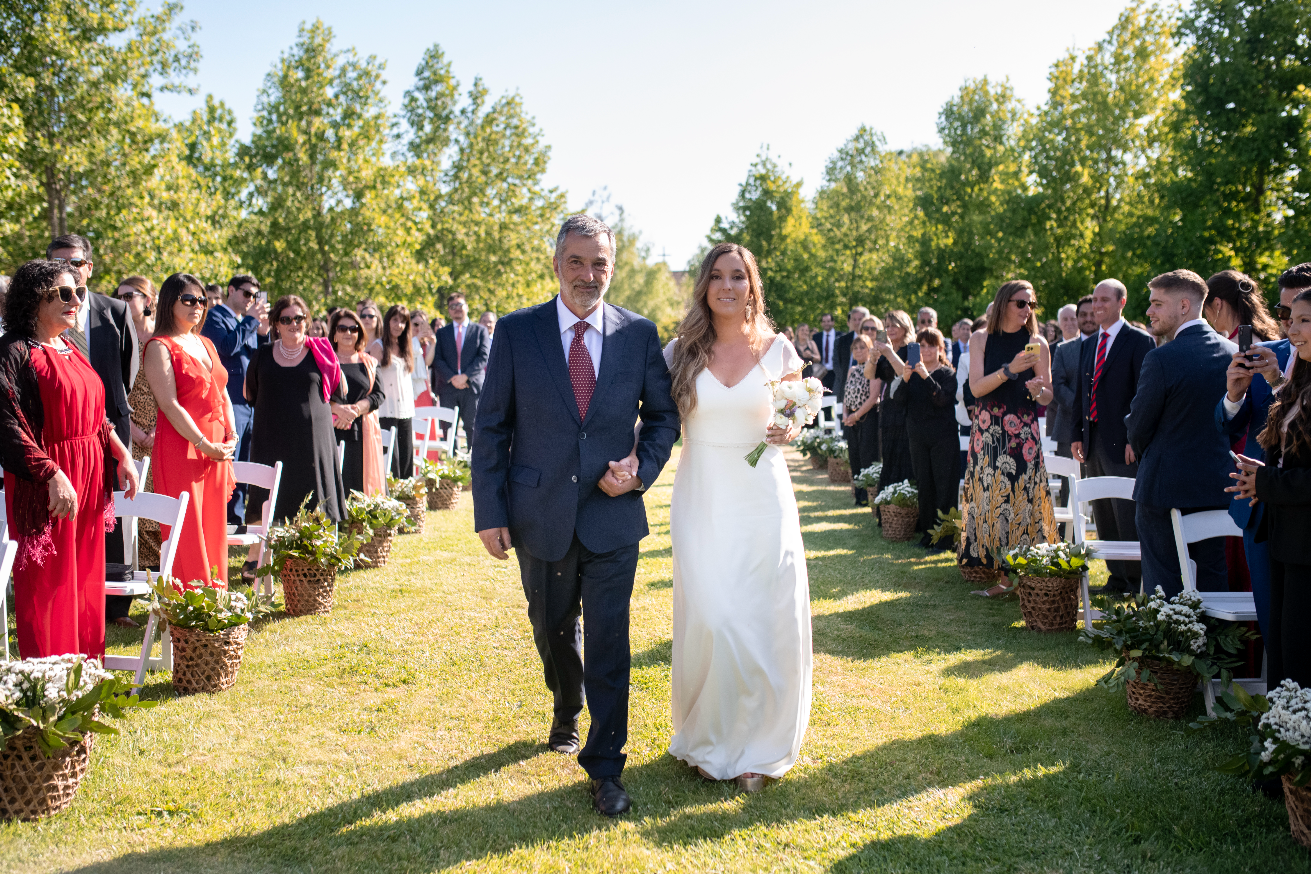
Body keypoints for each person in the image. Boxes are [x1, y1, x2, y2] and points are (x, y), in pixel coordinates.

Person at [472, 214, 679, 818]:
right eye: (577, 262)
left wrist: (640, 468)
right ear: (557, 265)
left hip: (613, 516)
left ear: (612, 268)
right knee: (552, 627)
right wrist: (489, 510)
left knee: (610, 642)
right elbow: (492, 427)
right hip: (539, 512)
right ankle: (567, 703)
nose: (589, 275)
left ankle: (606, 766)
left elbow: (662, 418)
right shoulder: (518, 332)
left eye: (599, 264)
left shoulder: (638, 334)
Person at [658, 241, 810, 793]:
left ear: (752, 286)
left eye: (738, 276)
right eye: (718, 276)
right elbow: (654, 422)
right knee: (712, 615)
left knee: (761, 617)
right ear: (704, 285)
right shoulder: (679, 353)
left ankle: (758, 748)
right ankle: (709, 735)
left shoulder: (778, 350)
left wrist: (790, 427)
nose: (728, 286)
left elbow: (795, 412)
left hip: (762, 497)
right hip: (701, 495)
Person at [0, 259, 139, 659]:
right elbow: (7, 424)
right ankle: (50, 679)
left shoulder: (71, 346)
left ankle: (87, 676)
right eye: (63, 293)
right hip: (48, 481)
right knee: (50, 584)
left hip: (89, 476)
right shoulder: (13, 351)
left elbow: (96, 414)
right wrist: (51, 475)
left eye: (78, 291)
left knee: (85, 581)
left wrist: (121, 452)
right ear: (34, 299)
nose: (76, 300)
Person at [1126, 270, 1237, 598]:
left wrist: (1154, 457)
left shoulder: (1161, 358)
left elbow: (1138, 428)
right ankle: (1216, 635)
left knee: (1164, 587)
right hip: (1216, 485)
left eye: (1158, 304)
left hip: (1163, 490)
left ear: (1184, 306)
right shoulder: (1232, 352)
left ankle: (1170, 635)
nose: (1149, 311)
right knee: (1213, 582)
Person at [47, 233, 139, 622]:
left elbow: (128, 369)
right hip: (63, 431)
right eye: (59, 262)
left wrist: (106, 407)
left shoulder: (114, 310)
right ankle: (68, 595)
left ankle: (115, 605)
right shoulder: (44, 311)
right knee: (69, 509)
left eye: (75, 262)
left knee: (114, 510)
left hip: (110, 424)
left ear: (89, 267)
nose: (68, 269)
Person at [1217, 264, 1308, 640]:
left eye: (1300, 314)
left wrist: (1276, 380)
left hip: (1301, 508)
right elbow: (1229, 426)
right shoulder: (1263, 352)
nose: (1289, 323)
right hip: (1260, 508)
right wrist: (1233, 396)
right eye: (1284, 312)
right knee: (1273, 620)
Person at [962, 280, 1058, 592]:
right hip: (989, 430)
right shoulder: (980, 338)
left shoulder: (1037, 342)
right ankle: (998, 569)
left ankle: (1019, 572)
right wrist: (1010, 369)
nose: (1027, 309)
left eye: (1031, 304)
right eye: (1021, 303)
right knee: (990, 497)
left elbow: (1047, 396)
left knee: (1023, 496)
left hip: (1023, 432)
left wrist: (1038, 389)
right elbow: (976, 388)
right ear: (1004, 303)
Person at [143, 273, 237, 588]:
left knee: (213, 524)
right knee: (188, 527)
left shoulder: (205, 342)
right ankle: (190, 602)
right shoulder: (159, 346)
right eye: (189, 299)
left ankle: (216, 597)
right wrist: (204, 443)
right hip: (182, 447)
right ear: (169, 303)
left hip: (217, 448)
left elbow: (223, 393)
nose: (197, 305)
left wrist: (231, 435)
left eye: (201, 300)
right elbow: (169, 405)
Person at [1071, 280, 1155, 596]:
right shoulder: (1090, 343)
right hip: (1092, 441)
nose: (1097, 305)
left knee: (1125, 512)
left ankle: (1134, 581)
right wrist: (1077, 433)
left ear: (1122, 302)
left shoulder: (1139, 341)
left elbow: (1143, 396)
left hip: (1124, 443)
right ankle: (1116, 578)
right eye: (1095, 300)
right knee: (1103, 511)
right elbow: (1082, 392)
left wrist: (1136, 438)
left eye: (1104, 300)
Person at [246, 295, 346, 523]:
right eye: (286, 319)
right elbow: (250, 392)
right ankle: (264, 545)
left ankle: (316, 543)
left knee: (315, 504)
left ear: (307, 321)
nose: (293, 324)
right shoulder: (262, 354)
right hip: (270, 441)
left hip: (312, 443)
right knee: (268, 501)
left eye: (298, 318)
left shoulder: (322, 352)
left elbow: (337, 391)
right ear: (276, 324)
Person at [200, 274, 268, 546]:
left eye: (255, 295)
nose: (251, 299)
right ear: (231, 290)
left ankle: (236, 521)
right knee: (229, 461)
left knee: (243, 465)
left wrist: (261, 332)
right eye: (246, 293)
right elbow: (226, 348)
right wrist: (250, 321)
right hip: (229, 402)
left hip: (249, 402)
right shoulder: (214, 317)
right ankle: (220, 522)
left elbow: (256, 357)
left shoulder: (246, 322)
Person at [894, 328, 960, 547]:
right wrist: (905, 378)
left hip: (943, 438)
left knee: (944, 486)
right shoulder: (911, 373)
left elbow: (942, 400)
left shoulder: (948, 373)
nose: (927, 350)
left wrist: (925, 376)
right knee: (924, 485)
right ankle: (928, 535)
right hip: (918, 437)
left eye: (932, 345)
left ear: (940, 349)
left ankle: (946, 538)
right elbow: (898, 401)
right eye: (922, 345)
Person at [117, 275, 162, 580]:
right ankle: (138, 571)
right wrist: (131, 428)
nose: (121, 301)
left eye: (128, 296)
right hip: (128, 430)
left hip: (165, 429)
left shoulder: (164, 338)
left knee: (161, 501)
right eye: (117, 296)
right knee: (134, 499)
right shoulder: (117, 337)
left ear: (147, 300)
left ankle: (162, 572)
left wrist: (160, 429)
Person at [329, 309, 385, 496]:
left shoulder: (370, 363)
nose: (348, 333)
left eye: (353, 329)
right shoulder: (324, 363)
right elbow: (315, 394)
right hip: (330, 430)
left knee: (358, 485)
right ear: (334, 333)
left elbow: (379, 395)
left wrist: (355, 410)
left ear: (359, 333)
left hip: (362, 432)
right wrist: (338, 410)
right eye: (342, 328)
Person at [432, 293, 491, 455]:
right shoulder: (442, 333)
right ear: (449, 311)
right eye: (453, 306)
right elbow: (438, 359)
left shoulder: (480, 330)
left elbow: (483, 356)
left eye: (460, 305)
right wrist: (452, 378)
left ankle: (473, 463)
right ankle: (452, 463)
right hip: (448, 387)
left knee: (473, 427)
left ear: (467, 307)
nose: (457, 309)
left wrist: (465, 376)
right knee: (448, 428)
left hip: (472, 387)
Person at [870, 309, 917, 505]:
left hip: (908, 407)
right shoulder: (885, 350)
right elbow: (870, 375)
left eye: (894, 325)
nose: (889, 329)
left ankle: (907, 506)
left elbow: (908, 374)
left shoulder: (913, 348)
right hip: (888, 408)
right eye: (886, 326)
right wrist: (873, 357)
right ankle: (889, 507)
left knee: (906, 456)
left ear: (905, 326)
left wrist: (889, 353)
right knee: (888, 456)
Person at [367, 304, 418, 478]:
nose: (399, 325)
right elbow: (371, 379)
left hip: (406, 411)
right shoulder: (378, 346)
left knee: (406, 459)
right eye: (395, 320)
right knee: (392, 461)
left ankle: (408, 492)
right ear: (388, 321)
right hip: (386, 411)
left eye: (403, 322)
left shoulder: (406, 347)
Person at [842, 332, 879, 506]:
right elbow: (846, 395)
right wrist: (845, 415)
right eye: (855, 348)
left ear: (870, 349)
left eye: (862, 347)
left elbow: (873, 397)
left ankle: (868, 495)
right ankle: (858, 496)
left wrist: (856, 416)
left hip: (867, 417)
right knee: (854, 457)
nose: (858, 350)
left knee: (867, 457)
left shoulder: (873, 368)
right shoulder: (852, 370)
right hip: (851, 419)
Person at [1204, 270, 1280, 344]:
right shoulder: (1261, 337)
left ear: (1217, 303)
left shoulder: (1231, 346)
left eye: (1205, 307)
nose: (1207, 317)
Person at [832, 306, 869, 413]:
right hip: (845, 388)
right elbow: (836, 364)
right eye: (854, 319)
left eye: (860, 319)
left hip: (869, 389)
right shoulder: (841, 341)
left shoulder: (874, 337)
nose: (857, 322)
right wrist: (849, 381)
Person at [409, 308, 437, 408]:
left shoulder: (425, 344)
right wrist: (415, 339)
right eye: (415, 324)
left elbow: (427, 363)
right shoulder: (404, 342)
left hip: (423, 385)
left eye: (422, 324)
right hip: (410, 384)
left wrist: (433, 344)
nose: (418, 327)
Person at [815, 313, 838, 391]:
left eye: (828, 321)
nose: (826, 323)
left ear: (833, 322)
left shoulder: (840, 336)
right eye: (824, 321)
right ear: (821, 323)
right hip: (821, 372)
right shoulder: (816, 337)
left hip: (835, 372)